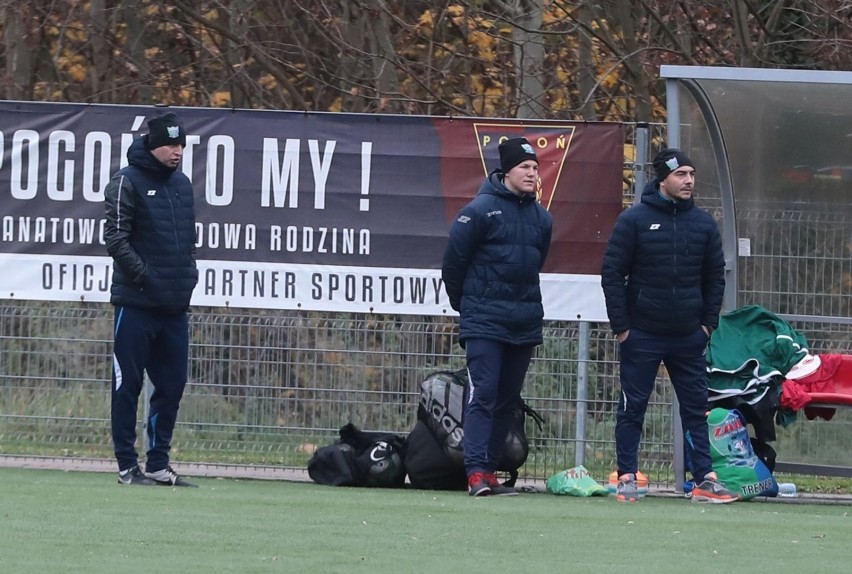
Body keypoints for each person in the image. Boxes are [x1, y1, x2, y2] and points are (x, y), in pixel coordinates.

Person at [601, 148, 739, 503]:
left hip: (688, 336)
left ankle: (704, 479)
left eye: (692, 174)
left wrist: (706, 326)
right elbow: (613, 273)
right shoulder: (634, 220)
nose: (689, 181)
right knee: (633, 407)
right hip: (642, 333)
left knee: (696, 408)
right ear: (662, 179)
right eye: (681, 175)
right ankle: (627, 476)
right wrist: (623, 328)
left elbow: (715, 279)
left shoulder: (704, 223)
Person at [442, 137, 552, 496]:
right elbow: (453, 263)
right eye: (525, 167)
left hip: (523, 322)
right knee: (483, 394)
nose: (532, 173)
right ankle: (474, 473)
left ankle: (489, 471)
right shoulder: (478, 211)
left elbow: (537, 262)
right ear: (506, 171)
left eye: (535, 168)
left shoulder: (542, 218)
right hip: (484, 322)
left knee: (508, 398)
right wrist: (468, 306)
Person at [104, 112, 199, 487]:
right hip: (136, 304)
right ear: (153, 144)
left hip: (174, 307)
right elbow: (115, 238)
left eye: (181, 146)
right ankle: (127, 466)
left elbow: (187, 241)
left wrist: (187, 275)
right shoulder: (126, 182)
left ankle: (158, 463)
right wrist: (145, 277)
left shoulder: (183, 185)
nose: (176, 152)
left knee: (173, 385)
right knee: (127, 385)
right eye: (170, 145)